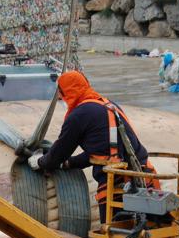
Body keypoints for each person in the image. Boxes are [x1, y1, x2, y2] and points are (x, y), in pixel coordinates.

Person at [28, 70, 160, 222]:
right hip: (145, 178)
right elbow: (102, 152)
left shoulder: (78, 115)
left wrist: (39, 162)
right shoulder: (108, 105)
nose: (60, 98)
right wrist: (71, 163)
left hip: (117, 187)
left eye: (61, 94)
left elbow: (58, 154)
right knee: (150, 233)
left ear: (67, 93)